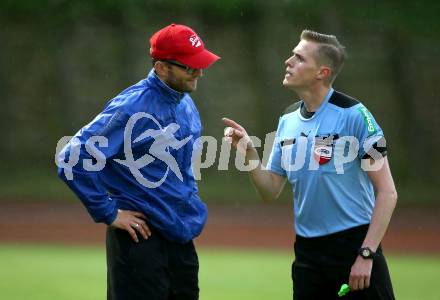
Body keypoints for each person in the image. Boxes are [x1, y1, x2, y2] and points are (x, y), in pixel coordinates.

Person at [223, 29, 397, 299]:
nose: (288, 62)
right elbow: (270, 191)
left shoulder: (356, 116)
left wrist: (366, 254)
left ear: (322, 73)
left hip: (354, 248)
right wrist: (249, 153)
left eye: (299, 58)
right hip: (307, 256)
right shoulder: (287, 119)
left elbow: (387, 192)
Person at [57, 23, 219, 300]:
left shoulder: (185, 103)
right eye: (189, 67)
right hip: (140, 239)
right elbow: (72, 158)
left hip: (180, 238)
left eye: (200, 64)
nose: (199, 72)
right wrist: (108, 212)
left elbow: (182, 170)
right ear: (161, 67)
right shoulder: (132, 107)